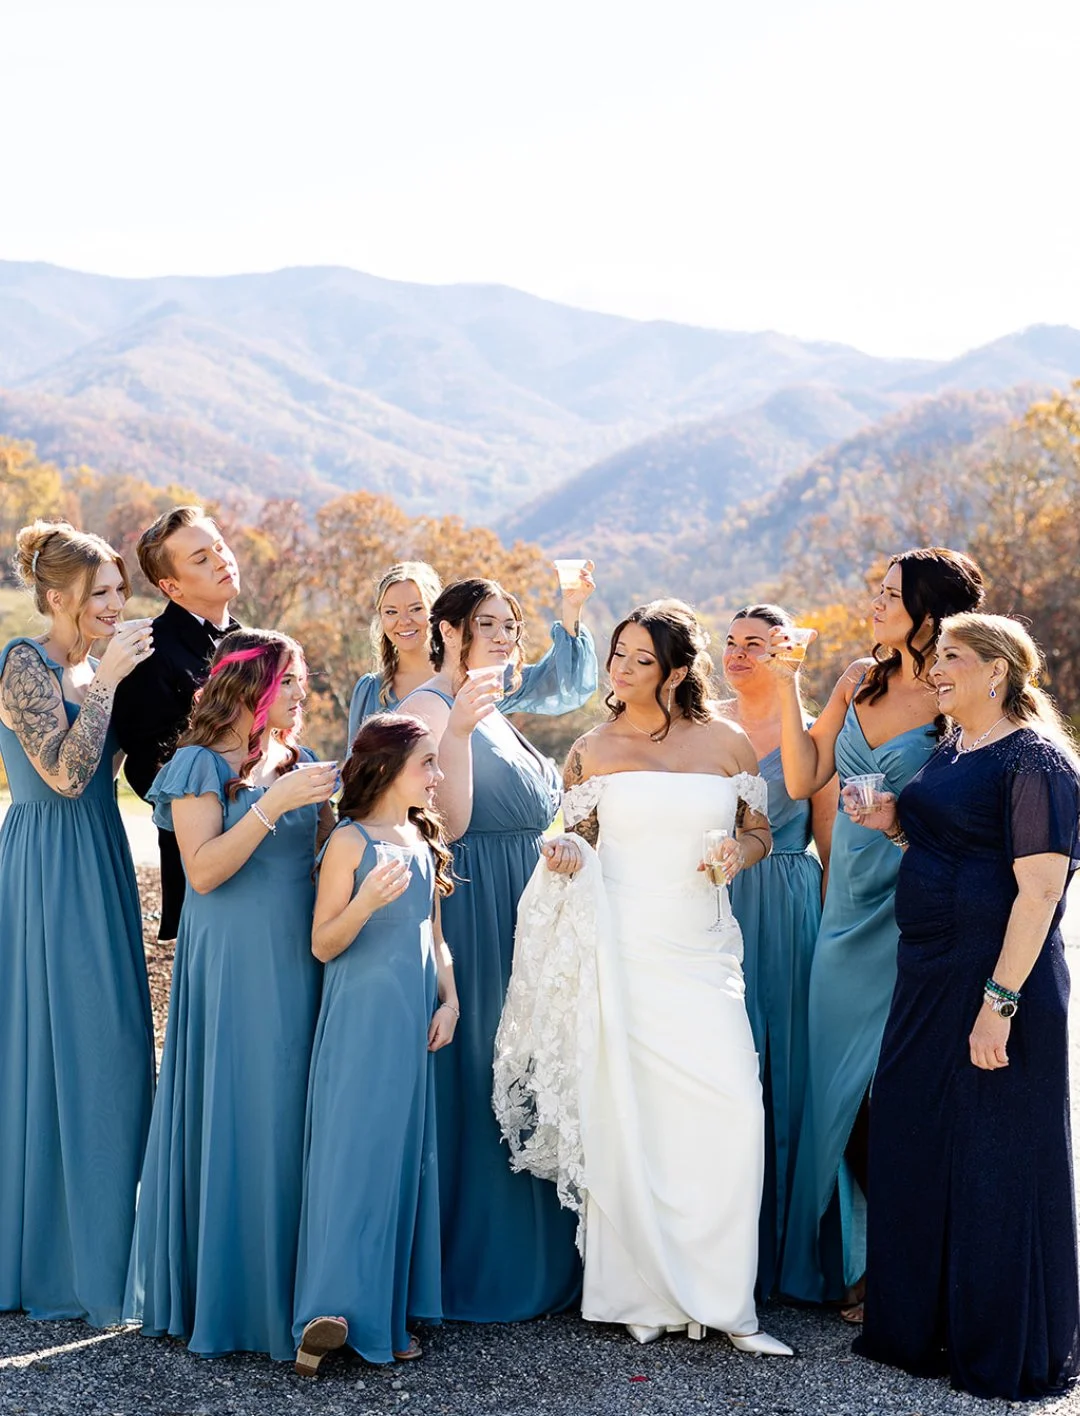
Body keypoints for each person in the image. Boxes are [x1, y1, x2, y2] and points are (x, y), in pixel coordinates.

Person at [495, 599, 792, 1354]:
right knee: (629, 1114)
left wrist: (736, 855)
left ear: (677, 672)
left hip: (702, 950)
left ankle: (726, 1302)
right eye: (617, 654)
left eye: (641, 659)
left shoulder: (727, 743)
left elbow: (758, 832)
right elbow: (579, 843)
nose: (621, 669)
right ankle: (639, 1294)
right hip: (620, 951)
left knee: (732, 1108)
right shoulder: (589, 750)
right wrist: (564, 854)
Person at [847, 613, 1080, 1400]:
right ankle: (922, 1327)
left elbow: (1040, 891)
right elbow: (950, 846)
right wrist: (893, 822)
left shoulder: (1035, 760)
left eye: (951, 656)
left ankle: (997, 1343)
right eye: (936, 656)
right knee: (916, 1136)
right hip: (927, 973)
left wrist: (999, 1002)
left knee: (992, 1157)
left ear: (998, 671)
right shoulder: (956, 746)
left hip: (995, 983)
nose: (934, 669)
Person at [771, 548, 986, 1315]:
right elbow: (803, 778)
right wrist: (792, 684)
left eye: (891, 595)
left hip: (916, 908)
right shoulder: (858, 679)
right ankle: (854, 1261)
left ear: (930, 611)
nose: (876, 603)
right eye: (879, 591)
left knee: (895, 1091)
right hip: (844, 913)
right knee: (840, 1092)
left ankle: (901, 1270)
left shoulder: (960, 693)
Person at [124, 630, 337, 1361]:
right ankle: (233, 1297)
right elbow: (206, 871)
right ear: (252, 688)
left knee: (290, 1111)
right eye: (291, 680)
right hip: (234, 962)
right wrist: (273, 803)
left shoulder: (302, 760)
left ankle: (297, 1288)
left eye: (302, 679)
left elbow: (321, 859)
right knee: (245, 1107)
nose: (303, 692)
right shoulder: (196, 764)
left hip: (299, 955)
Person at [400, 578, 583, 1322]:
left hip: (526, 906)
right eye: (488, 624)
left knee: (529, 1058)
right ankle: (479, 1262)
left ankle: (540, 1254)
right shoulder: (428, 709)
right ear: (448, 631)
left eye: (512, 624)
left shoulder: (494, 706)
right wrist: (460, 732)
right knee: (484, 1063)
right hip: (472, 907)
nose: (506, 636)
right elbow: (446, 824)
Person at [0, 520, 156, 1328]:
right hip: (48, 868)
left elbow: (112, 770)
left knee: (114, 1050)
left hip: (100, 857)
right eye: (100, 592)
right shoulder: (22, 663)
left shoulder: (97, 666)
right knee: (61, 1047)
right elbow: (64, 774)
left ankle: (114, 1255)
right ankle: (51, 1263)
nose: (114, 603)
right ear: (58, 596)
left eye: (120, 590)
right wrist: (109, 684)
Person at [292, 714, 459, 1374]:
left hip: (411, 1022)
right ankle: (329, 1314)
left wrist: (451, 1002)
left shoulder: (421, 837)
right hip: (359, 1024)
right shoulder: (349, 841)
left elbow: (435, 936)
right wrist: (362, 903)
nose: (437, 775)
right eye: (428, 763)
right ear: (388, 768)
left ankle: (382, 1316)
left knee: (396, 1163)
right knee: (351, 1159)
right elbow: (322, 943)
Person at [718, 604, 837, 1301]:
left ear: (784, 653)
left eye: (755, 645)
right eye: (731, 642)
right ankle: (720, 1247)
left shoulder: (813, 734)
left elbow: (830, 852)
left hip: (789, 908)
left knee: (783, 1068)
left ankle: (788, 1253)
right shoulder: (705, 724)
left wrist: (830, 942)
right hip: (714, 902)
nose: (737, 654)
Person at [112, 506, 242, 942]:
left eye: (219, 547)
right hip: (200, 855)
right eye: (201, 559)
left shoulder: (249, 642)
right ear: (171, 586)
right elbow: (146, 766)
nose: (221, 561)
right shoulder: (150, 652)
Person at [346, 559, 599, 750]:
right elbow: (356, 771)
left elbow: (560, 683)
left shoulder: (481, 678)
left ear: (439, 617)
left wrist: (571, 608)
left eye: (416, 609)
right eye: (391, 612)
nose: (404, 621)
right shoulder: (371, 690)